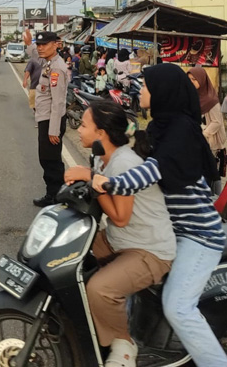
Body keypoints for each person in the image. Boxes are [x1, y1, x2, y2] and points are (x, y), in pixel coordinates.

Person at [93, 64, 227, 367]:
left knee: (178, 307)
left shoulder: (182, 130)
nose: (140, 90)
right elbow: (128, 151)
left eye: (146, 86)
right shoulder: (159, 127)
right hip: (169, 232)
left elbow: (153, 170)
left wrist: (111, 183)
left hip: (198, 236)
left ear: (163, 92)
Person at [64, 101, 175, 367]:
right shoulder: (105, 158)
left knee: (99, 288)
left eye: (83, 125)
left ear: (101, 133)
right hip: (119, 241)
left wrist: (91, 179)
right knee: (69, 262)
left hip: (148, 249)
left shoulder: (123, 163)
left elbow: (121, 218)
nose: (78, 129)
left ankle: (124, 346)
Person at [32, 31, 70, 207]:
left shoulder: (56, 68)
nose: (40, 48)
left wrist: (53, 129)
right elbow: (34, 54)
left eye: (44, 44)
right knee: (46, 159)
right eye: (38, 44)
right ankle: (53, 193)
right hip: (45, 119)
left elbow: (58, 102)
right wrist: (28, 44)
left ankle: (56, 197)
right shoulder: (49, 62)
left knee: (50, 160)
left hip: (51, 121)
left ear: (56, 44)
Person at [189, 66, 227, 182]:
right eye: (189, 79)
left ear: (201, 80)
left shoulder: (211, 100)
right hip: (199, 140)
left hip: (211, 142)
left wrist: (203, 134)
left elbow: (217, 122)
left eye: (194, 79)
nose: (191, 82)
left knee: (210, 172)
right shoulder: (193, 96)